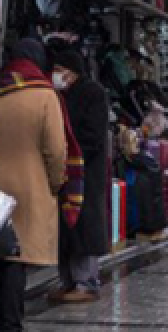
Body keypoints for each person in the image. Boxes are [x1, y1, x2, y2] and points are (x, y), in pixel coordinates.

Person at [0, 39, 69, 332]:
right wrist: (55, 183)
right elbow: (56, 148)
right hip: (30, 183)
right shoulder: (45, 95)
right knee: (15, 258)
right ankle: (11, 330)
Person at [49, 48, 110, 304]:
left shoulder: (93, 93)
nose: (56, 76)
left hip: (85, 171)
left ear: (71, 73)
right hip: (63, 170)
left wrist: (70, 148)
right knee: (65, 227)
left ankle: (87, 282)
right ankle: (69, 281)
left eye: (59, 71)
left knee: (82, 225)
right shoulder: (56, 95)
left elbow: (94, 136)